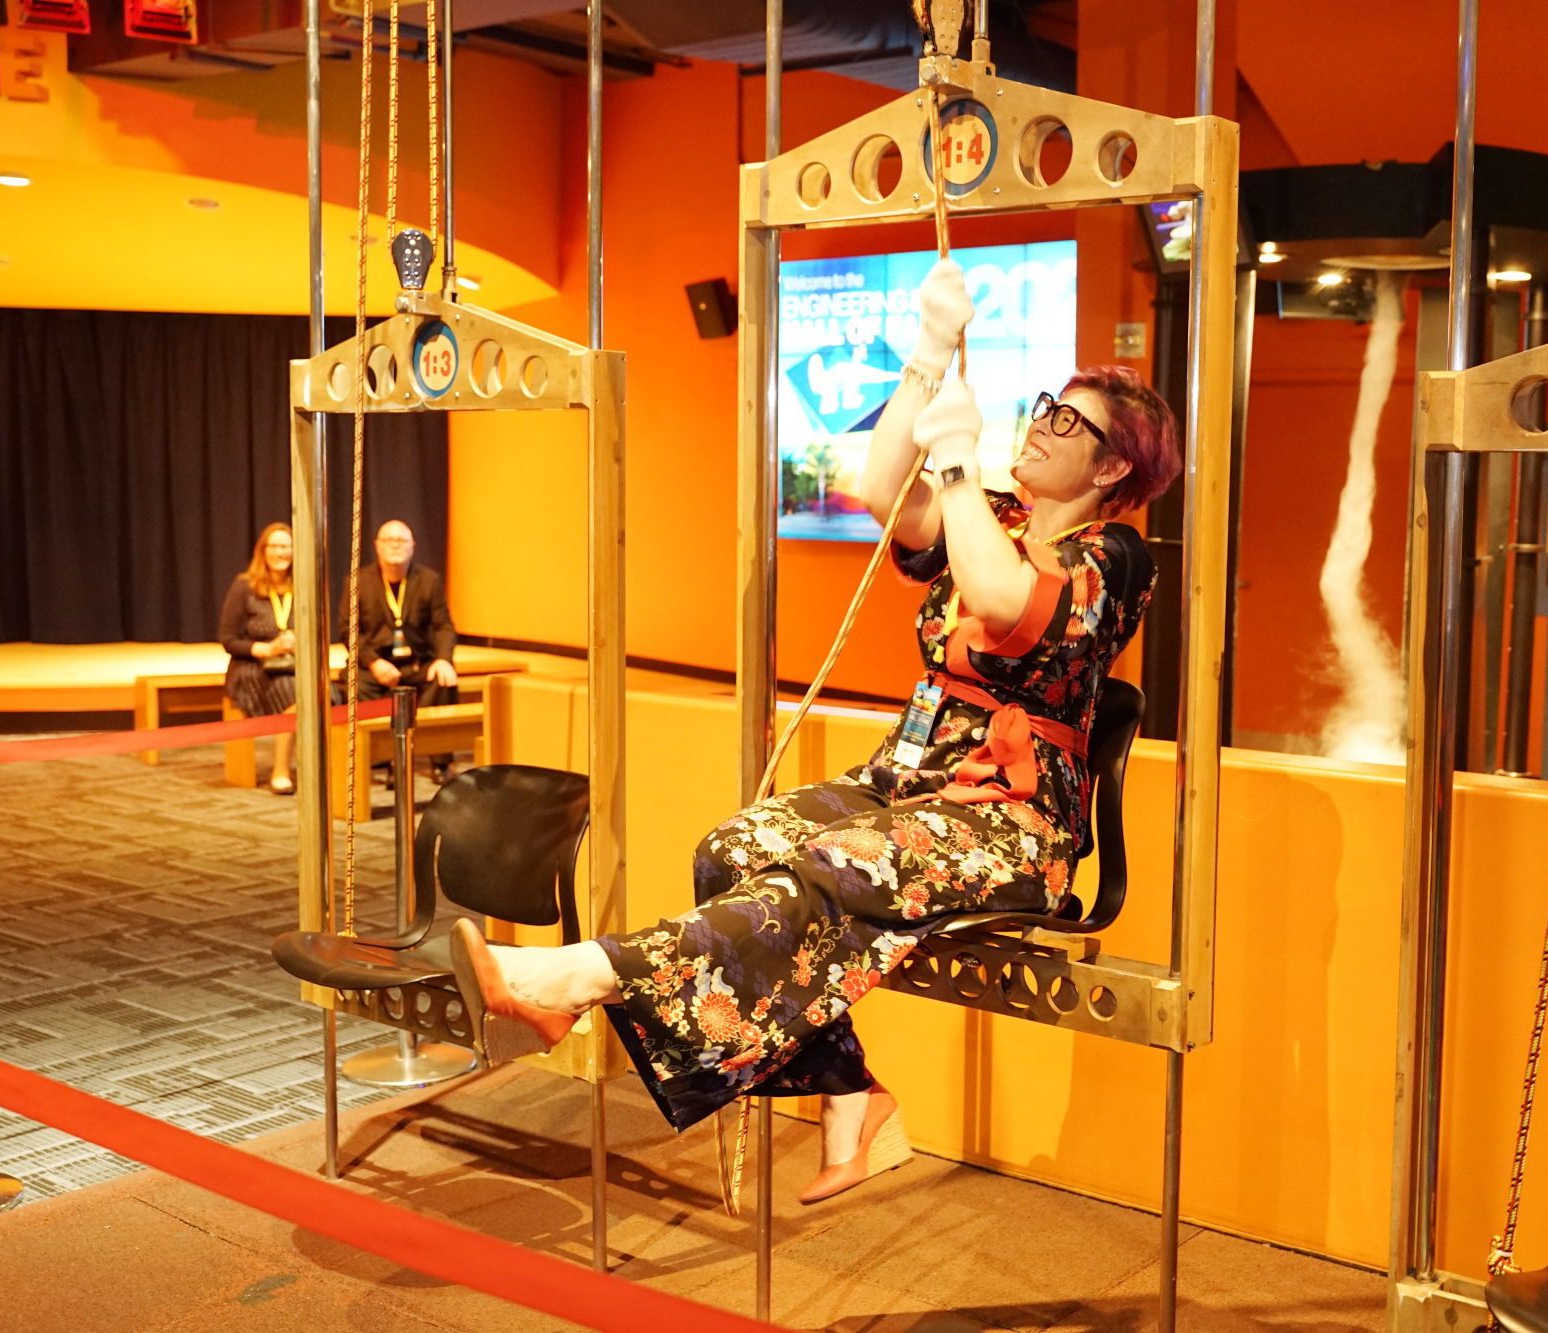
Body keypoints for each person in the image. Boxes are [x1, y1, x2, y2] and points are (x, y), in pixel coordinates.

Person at [445, 258, 1181, 1205]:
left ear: (1114, 465)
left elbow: (1005, 604)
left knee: (831, 864)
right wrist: (924, 352)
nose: (1040, 423)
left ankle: (572, 978)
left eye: (1068, 420)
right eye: (1044, 404)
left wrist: (956, 461)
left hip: (1009, 822)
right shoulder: (989, 515)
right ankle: (849, 1092)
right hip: (905, 784)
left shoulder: (1111, 556)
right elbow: (879, 488)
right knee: (733, 847)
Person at [341, 519, 459, 709]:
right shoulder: (358, 582)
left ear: (412, 547)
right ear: (378, 546)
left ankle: (425, 734)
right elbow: (348, 630)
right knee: (354, 683)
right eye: (389, 540)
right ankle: (378, 736)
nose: (395, 545)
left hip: (416, 663)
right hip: (375, 663)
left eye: (402, 541)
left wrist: (443, 659)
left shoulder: (428, 580)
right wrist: (374, 662)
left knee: (444, 679)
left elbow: (443, 626)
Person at [220, 522, 301, 794]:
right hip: (253, 668)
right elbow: (229, 640)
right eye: (275, 546)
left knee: (325, 692)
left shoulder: (303, 586)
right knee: (295, 695)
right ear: (263, 551)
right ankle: (281, 770)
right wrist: (266, 649)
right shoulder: (245, 586)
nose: (281, 552)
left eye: (286, 547)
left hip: (294, 666)